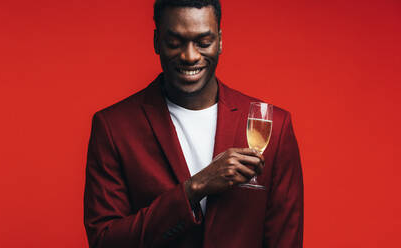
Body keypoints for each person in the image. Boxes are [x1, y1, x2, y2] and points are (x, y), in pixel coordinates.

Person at [84, 0, 303, 247]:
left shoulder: (273, 126)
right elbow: (104, 241)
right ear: (157, 41)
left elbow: (285, 239)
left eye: (203, 42)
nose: (190, 56)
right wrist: (194, 188)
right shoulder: (114, 127)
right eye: (175, 42)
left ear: (220, 41)